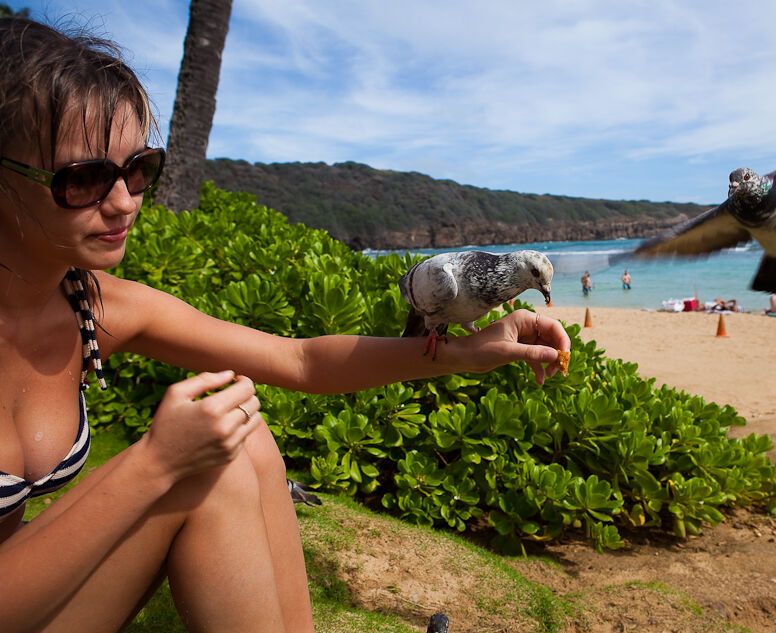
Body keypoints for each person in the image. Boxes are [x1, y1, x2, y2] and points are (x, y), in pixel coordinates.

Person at [0, 17, 570, 633]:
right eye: (82, 179)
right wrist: (156, 465)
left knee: (240, 434)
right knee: (202, 464)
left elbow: (298, 360)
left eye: (139, 169)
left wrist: (463, 351)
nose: (124, 201)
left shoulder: (91, 304)